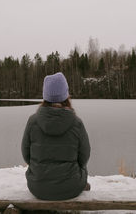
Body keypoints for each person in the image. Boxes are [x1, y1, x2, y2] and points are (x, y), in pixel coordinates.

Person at [21, 72, 91, 200]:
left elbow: (26, 155)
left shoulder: (33, 121)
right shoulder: (77, 122)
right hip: (71, 188)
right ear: (66, 95)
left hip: (37, 187)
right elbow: (84, 157)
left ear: (45, 96)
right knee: (83, 170)